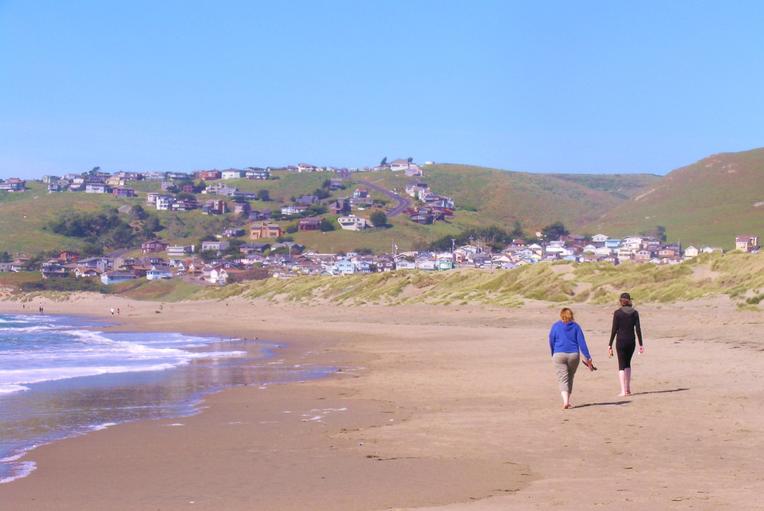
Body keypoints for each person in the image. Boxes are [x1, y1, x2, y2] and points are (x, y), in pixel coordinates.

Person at [549, 307, 593, 409]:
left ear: (561, 315)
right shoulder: (576, 326)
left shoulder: (555, 326)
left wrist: (553, 352)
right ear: (571, 315)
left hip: (558, 354)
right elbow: (582, 343)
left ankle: (565, 401)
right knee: (570, 377)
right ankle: (567, 401)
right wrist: (588, 357)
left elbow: (551, 340)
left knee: (563, 378)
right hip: (573, 355)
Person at [608, 292, 644, 396]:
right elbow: (638, 329)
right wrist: (641, 344)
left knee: (621, 365)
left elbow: (614, 330)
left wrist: (609, 344)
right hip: (631, 341)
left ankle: (623, 391)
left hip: (621, 341)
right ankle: (628, 388)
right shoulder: (635, 313)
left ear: (620, 301)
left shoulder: (617, 313)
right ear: (629, 301)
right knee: (628, 364)